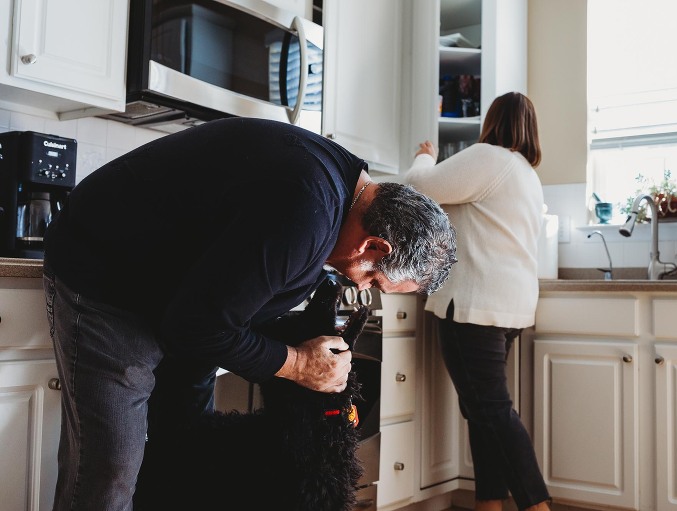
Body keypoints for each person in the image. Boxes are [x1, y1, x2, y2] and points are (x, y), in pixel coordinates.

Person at [42, 117, 457, 511]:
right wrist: (298, 365)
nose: (364, 287)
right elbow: (197, 328)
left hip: (174, 300)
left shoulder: (340, 191)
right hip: (109, 283)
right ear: (375, 247)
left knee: (181, 459)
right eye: (375, 281)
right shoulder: (306, 209)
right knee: (109, 468)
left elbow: (222, 305)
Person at [403, 92, 551, 511]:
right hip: (509, 308)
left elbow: (418, 188)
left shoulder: (490, 157)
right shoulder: (526, 174)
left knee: (492, 412)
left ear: (492, 122)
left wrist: (424, 156)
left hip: (475, 305)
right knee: (483, 413)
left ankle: (537, 506)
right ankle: (489, 505)